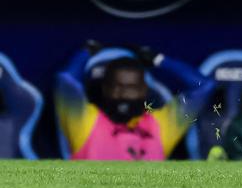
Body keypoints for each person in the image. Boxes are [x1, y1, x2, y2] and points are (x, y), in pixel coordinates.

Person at [55, 41, 213, 161]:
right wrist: (86, 52)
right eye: (117, 87)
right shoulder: (85, 121)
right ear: (105, 89)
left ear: (145, 90)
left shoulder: (162, 125)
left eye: (132, 87)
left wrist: (159, 60)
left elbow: (204, 86)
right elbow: (65, 80)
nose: (124, 93)